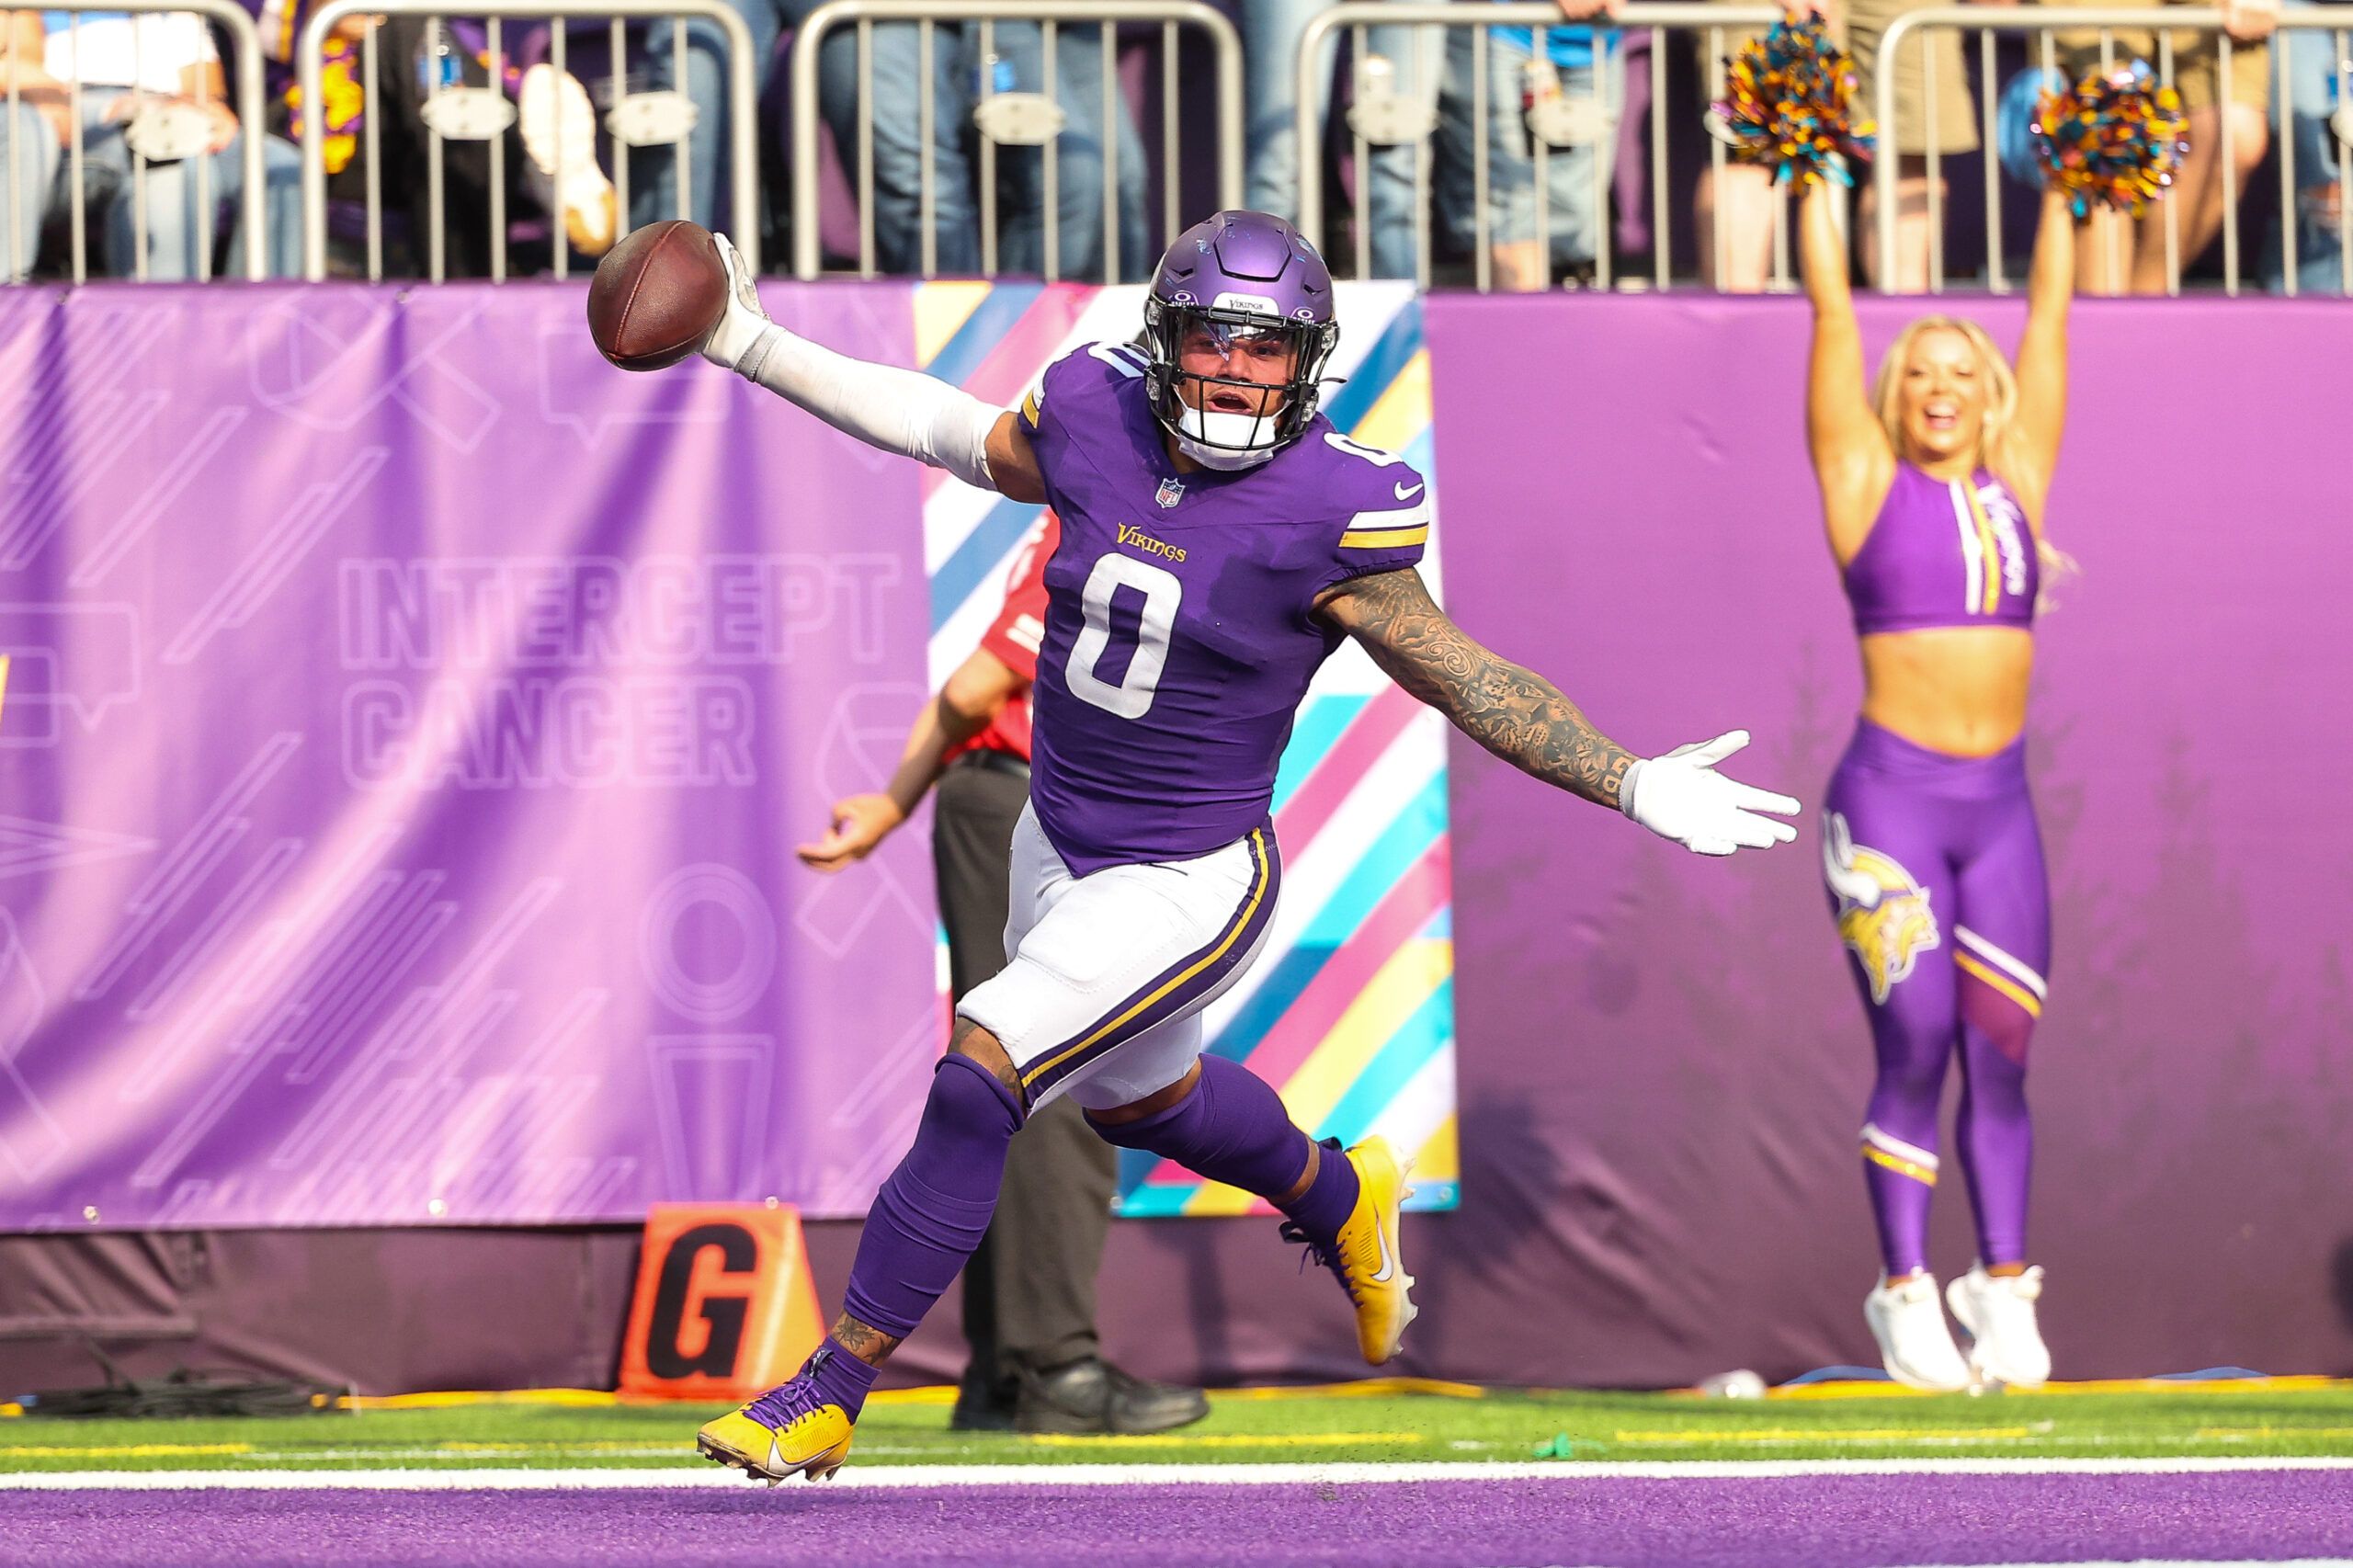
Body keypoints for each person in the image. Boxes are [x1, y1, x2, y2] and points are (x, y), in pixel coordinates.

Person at [675, 208, 1801, 1483]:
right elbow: (941, 425)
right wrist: (745, 341)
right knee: (1141, 1101)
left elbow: (1465, 675)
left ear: (1308, 363)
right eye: (1213, 336)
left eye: (1268, 350)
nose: (1234, 370)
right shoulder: (1095, 411)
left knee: (980, 1070)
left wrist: (1629, 780)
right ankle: (1337, 1195)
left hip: (1188, 876)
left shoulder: (1335, 508)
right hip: (1057, 831)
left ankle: (829, 1389)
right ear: (1165, 337)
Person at [795, 512, 1208, 1437]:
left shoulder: (1124, 509)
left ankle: (1002, 1371)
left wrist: (894, 802)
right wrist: (894, 798)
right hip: (1040, 804)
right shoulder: (1127, 517)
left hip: (1033, 803)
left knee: (1010, 1083)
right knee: (1053, 1079)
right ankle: (1049, 1365)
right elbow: (981, 684)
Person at [1798, 166, 2077, 1388]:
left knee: (2003, 1056)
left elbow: (2054, 320)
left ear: (1993, 396)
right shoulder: (1862, 483)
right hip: (1892, 805)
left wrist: (2069, 184)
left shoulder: (2019, 480)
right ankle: (1904, 1284)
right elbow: (1828, 311)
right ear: (1893, 397)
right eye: (1923, 372)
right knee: (1914, 1048)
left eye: (1965, 373)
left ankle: (2001, 1281)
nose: (1944, 389)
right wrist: (1804, 162)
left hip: (2001, 811)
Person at [0, 7, 301, 279]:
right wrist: (137, 109)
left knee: (282, 166)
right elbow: (24, 74)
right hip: (86, 108)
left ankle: (266, 325)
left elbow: (205, 86)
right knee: (168, 147)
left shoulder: (178, 12)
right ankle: (163, 321)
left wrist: (208, 111)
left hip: (171, 110)